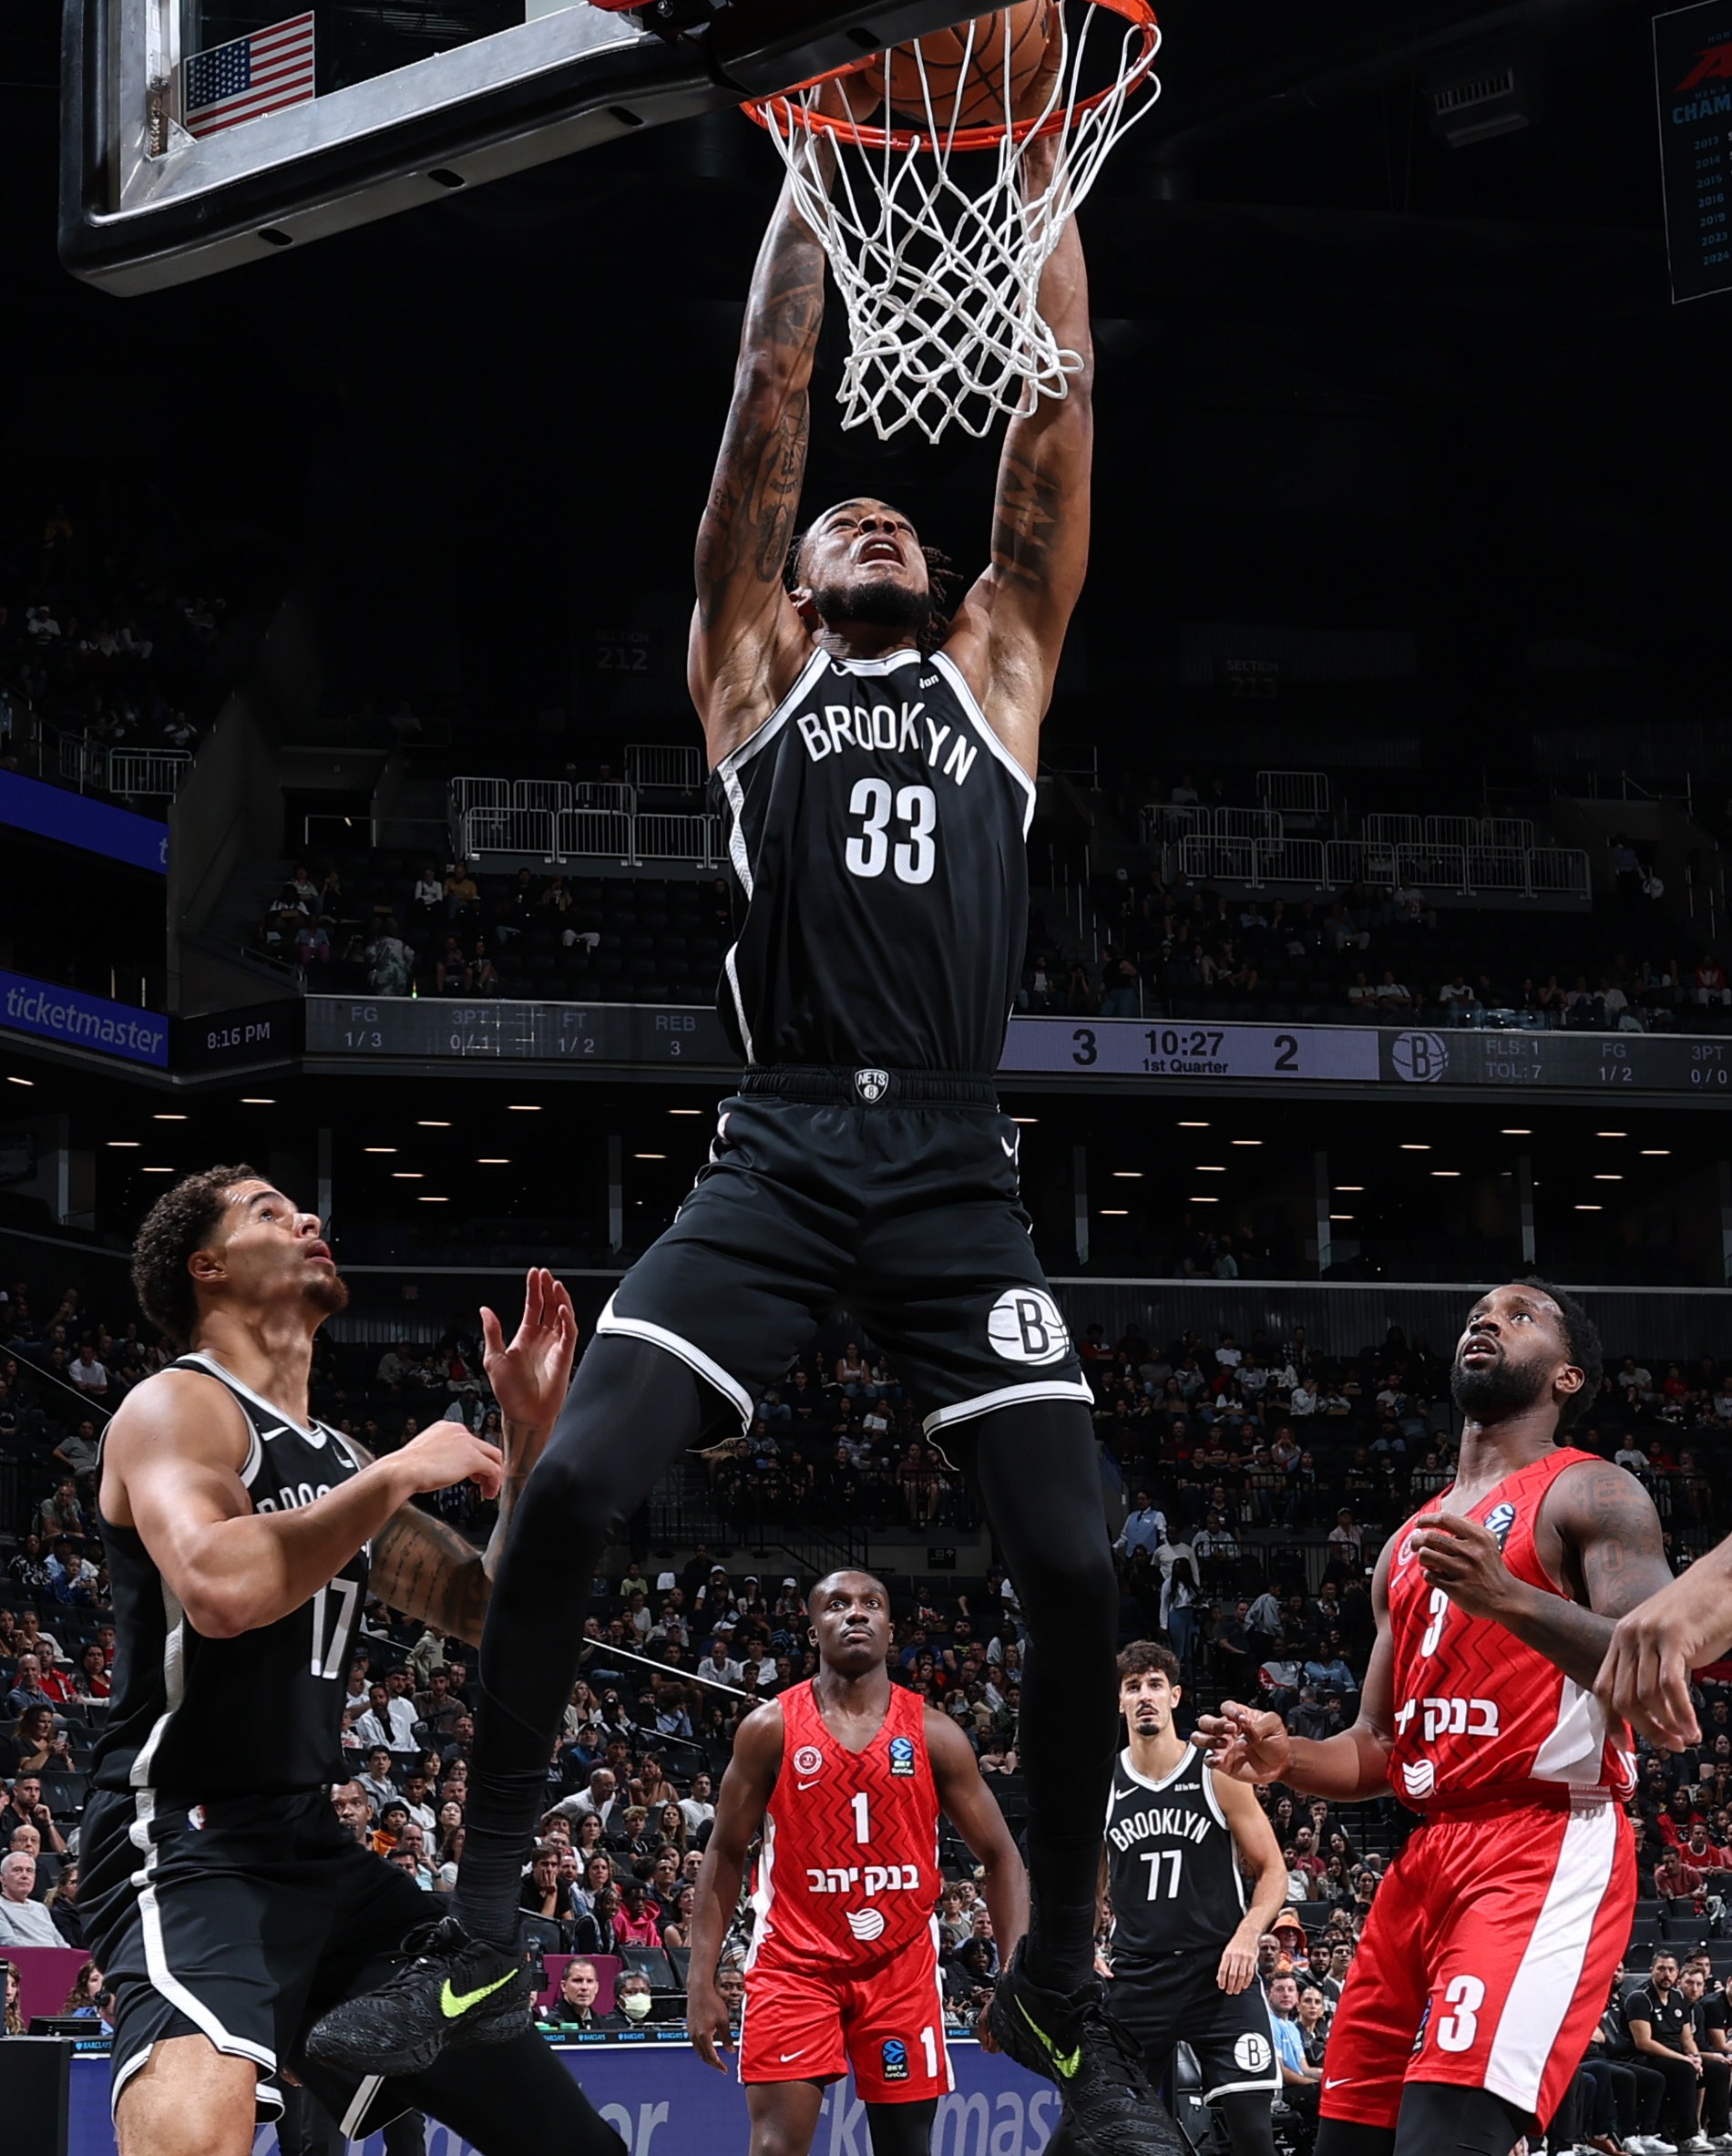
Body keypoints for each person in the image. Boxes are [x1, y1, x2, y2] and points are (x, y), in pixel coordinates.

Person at [313, 87, 1176, 2156]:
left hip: (955, 1166)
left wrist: (1043, 180)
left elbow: (1047, 428)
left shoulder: (999, 661)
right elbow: (773, 386)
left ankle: (1051, 1982)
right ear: (778, 583)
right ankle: (480, 1929)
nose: (872, 516)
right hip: (777, 1154)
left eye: (902, 518)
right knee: (584, 1484)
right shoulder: (746, 676)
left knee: (1077, 1562)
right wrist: (810, 149)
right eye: (835, 524)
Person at [75, 1166, 623, 2156]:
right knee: (197, 2141)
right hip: (188, 1841)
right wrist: (401, 1468)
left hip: (315, 1847)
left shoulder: (331, 1453)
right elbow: (221, 1588)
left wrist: (528, 1430)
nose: (309, 1217)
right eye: (268, 1211)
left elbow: (486, 1605)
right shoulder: (179, 1405)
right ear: (208, 1266)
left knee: (571, 2143)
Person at [1200, 1280, 1671, 2156]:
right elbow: (1378, 1747)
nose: (1485, 1321)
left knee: (1443, 2141)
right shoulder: (1406, 1543)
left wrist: (1509, 1597)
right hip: (1425, 1859)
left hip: (1541, 1839)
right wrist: (1285, 1757)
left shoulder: (1593, 1494)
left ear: (1567, 1377)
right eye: (1475, 1316)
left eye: (1519, 1314)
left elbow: (1650, 1665)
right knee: (1348, 2139)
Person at [686, 1569, 1028, 2156]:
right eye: (837, 1604)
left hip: (901, 1970)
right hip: (795, 1965)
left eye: (872, 1604)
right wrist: (700, 1980)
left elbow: (1002, 1858)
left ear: (891, 1628)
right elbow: (722, 1853)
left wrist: (1013, 1972)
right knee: (773, 2149)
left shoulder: (934, 1733)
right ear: (814, 1627)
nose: (856, 1613)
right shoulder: (769, 1729)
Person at [1099, 1643, 1287, 2156]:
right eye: (1133, 1687)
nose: (1145, 1697)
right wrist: (1083, 1943)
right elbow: (1083, 1888)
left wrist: (1249, 1935)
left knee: (1253, 2136)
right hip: (1138, 1978)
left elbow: (1273, 1870)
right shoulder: (1104, 1786)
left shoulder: (1215, 1772)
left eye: (1155, 1684)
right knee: (1090, 2131)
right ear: (1118, 1701)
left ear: (1175, 1696)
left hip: (1219, 1976)